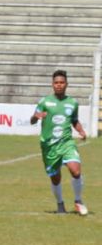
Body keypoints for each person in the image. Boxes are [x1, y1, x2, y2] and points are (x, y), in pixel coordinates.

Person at [31, 69, 88, 215]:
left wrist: (80, 131)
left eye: (62, 82)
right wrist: (36, 116)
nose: (59, 85)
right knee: (55, 178)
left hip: (66, 142)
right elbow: (32, 120)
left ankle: (78, 200)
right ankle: (60, 205)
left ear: (66, 84)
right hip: (49, 146)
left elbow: (74, 120)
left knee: (76, 171)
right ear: (52, 84)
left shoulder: (73, 103)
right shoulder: (44, 102)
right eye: (56, 82)